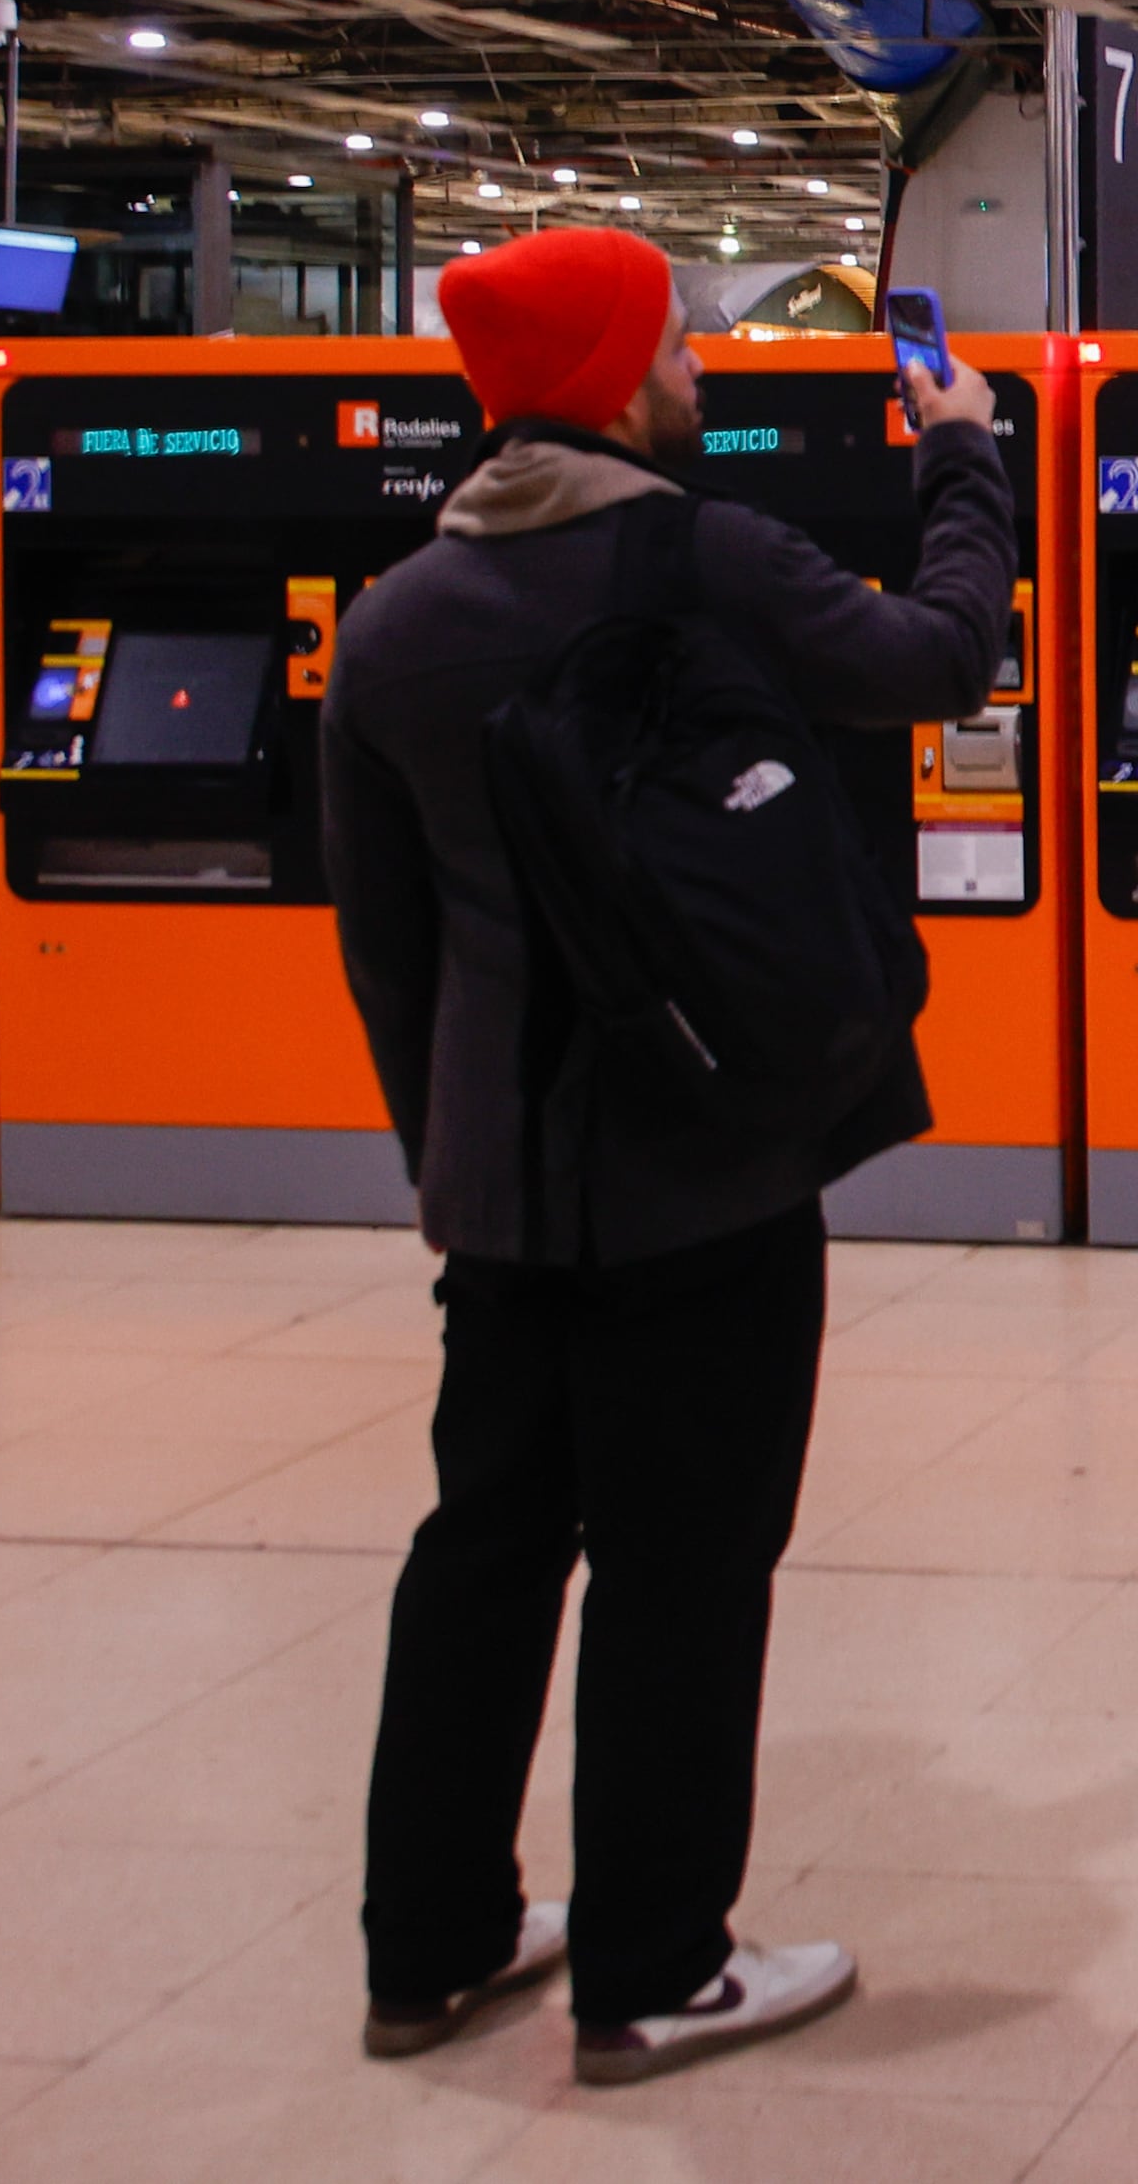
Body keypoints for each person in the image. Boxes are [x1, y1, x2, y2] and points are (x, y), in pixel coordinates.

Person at [323, 224, 1013, 2087]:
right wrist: (966, 454)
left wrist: (450, 1163)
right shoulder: (703, 559)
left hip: (506, 1199)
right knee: (684, 1562)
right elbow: (940, 658)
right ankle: (651, 1964)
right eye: (680, 338)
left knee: (482, 1547)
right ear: (621, 376)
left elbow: (384, 944)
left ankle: (434, 1945)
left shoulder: (391, 623)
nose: (703, 362)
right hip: (703, 1164)